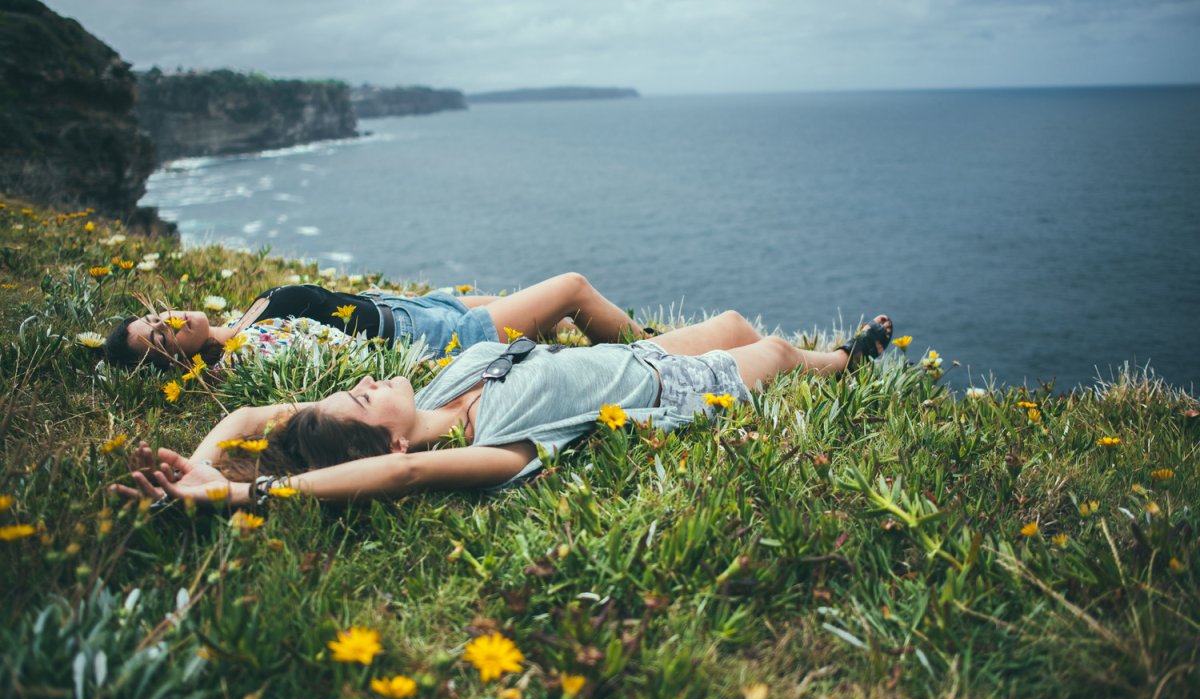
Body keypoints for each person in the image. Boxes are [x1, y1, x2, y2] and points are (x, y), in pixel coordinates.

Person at [113, 313, 893, 506]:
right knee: (782, 350)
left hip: (637, 355)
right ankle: (843, 365)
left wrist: (209, 460)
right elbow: (398, 479)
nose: (371, 380)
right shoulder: (489, 448)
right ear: (387, 437)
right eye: (361, 396)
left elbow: (256, 407)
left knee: (730, 323)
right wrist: (251, 495)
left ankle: (805, 363)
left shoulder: (447, 381)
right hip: (668, 390)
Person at [100, 272, 650, 369]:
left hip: (424, 308)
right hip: (434, 337)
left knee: (548, 320)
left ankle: (621, 341)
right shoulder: (247, 353)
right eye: (160, 336)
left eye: (156, 316)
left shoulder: (244, 321)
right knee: (572, 290)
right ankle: (659, 352)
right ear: (175, 358)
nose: (168, 320)